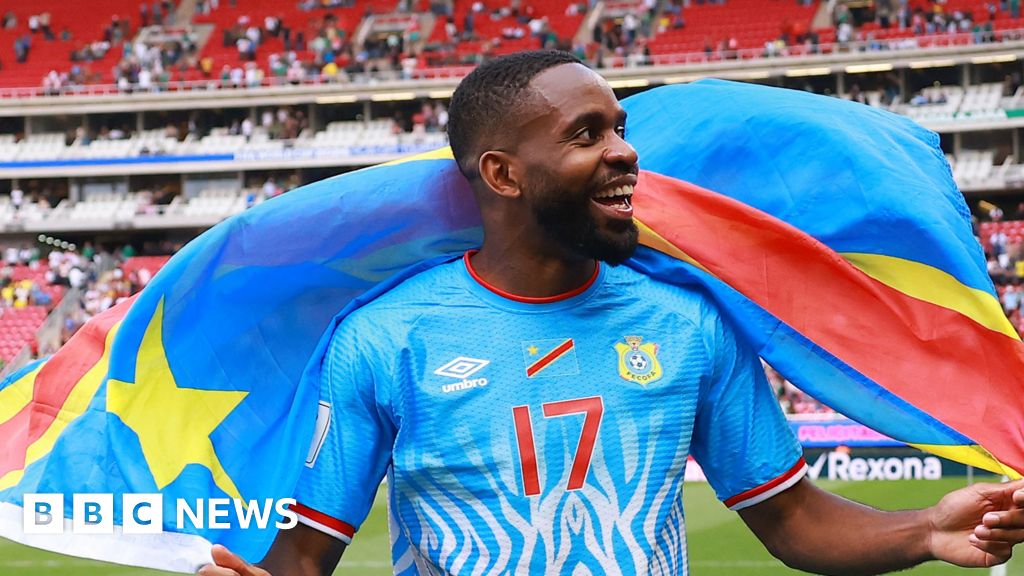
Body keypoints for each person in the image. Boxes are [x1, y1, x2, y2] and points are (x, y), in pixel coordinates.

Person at [200, 50, 1024, 575]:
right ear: (503, 173)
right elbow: (304, 555)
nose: (625, 152)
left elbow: (791, 516)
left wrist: (926, 530)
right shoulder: (384, 339)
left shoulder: (691, 323)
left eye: (621, 129)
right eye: (585, 135)